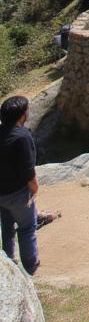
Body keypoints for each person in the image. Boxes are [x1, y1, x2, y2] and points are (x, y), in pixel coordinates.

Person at [0, 96, 39, 275]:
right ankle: (31, 267)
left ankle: (9, 264)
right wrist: (34, 187)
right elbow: (28, 168)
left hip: (1, 194)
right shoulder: (22, 136)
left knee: (7, 229)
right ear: (22, 115)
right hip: (18, 193)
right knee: (27, 228)